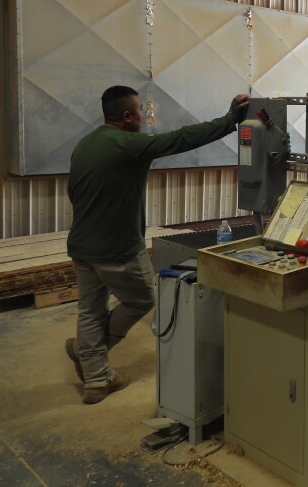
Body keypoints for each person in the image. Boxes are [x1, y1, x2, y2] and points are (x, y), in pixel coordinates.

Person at [65, 85, 249, 404]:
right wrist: (230, 119)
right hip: (117, 249)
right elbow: (182, 138)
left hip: (82, 246)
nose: (144, 115)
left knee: (90, 310)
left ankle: (96, 377)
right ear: (126, 117)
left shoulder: (86, 143)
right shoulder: (128, 145)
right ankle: (88, 355)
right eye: (140, 110)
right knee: (141, 300)